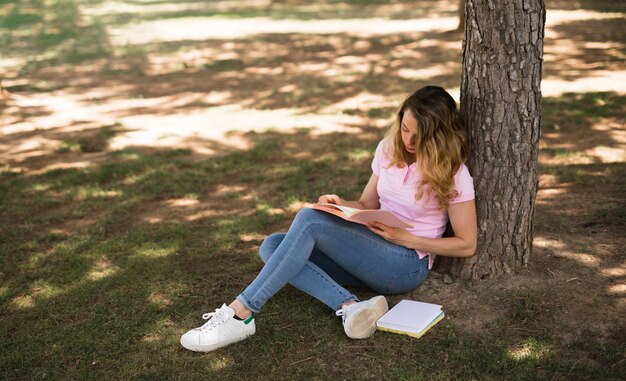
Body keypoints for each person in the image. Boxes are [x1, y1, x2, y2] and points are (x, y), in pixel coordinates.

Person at [180, 85, 477, 352]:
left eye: (418, 134)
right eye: (404, 129)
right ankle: (349, 306)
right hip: (371, 247)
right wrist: (340, 205)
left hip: (406, 264)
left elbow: (466, 244)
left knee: (309, 221)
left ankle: (241, 313)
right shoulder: (389, 149)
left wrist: (408, 239)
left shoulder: (453, 172)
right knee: (272, 246)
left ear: (437, 134)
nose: (408, 140)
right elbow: (365, 203)